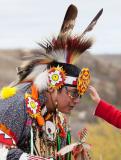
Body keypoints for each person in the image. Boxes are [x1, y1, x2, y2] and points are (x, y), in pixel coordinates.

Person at [0, 4, 103, 160]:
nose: (76, 100)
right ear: (51, 87)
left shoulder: (57, 118)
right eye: (73, 93)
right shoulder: (16, 105)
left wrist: (72, 155)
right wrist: (27, 158)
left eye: (80, 95)